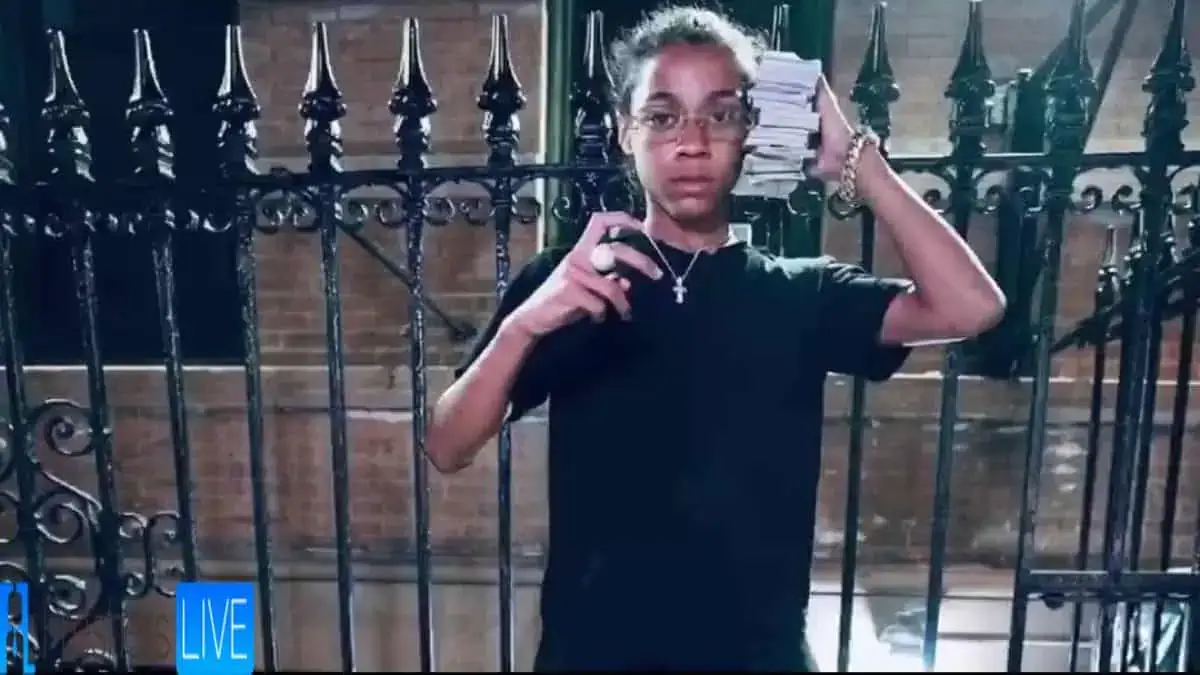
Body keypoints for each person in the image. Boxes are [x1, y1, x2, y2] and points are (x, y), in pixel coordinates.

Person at [426, 5, 1006, 671]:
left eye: (721, 114)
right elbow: (446, 445)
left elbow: (972, 307)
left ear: (750, 130)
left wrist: (858, 163)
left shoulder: (802, 293)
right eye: (662, 116)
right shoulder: (571, 283)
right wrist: (526, 323)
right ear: (624, 130)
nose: (692, 142)